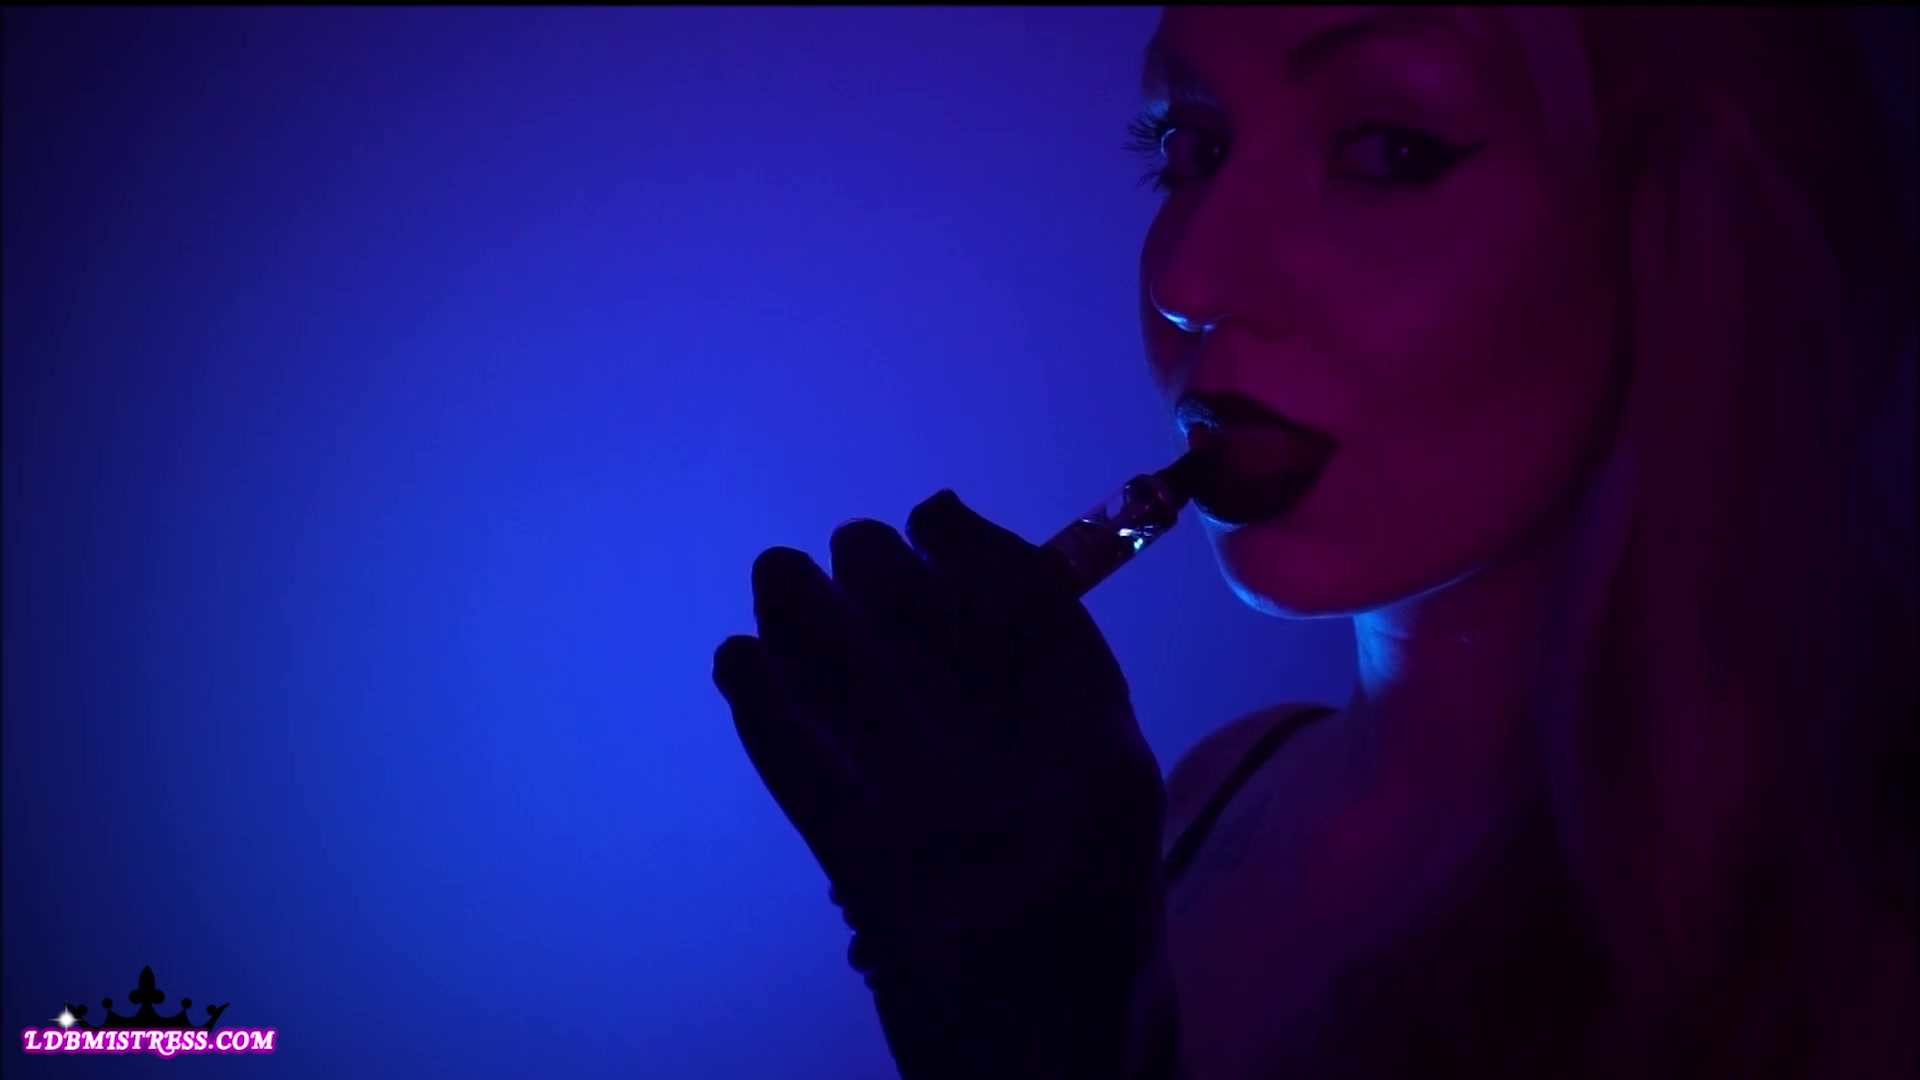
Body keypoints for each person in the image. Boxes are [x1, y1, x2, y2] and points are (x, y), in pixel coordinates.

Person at [712, 7, 1917, 1078]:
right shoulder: (1215, 793)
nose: (1190, 277)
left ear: (1688, 224)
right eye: (1192, 147)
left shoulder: (1851, 957)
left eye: (1389, 148)